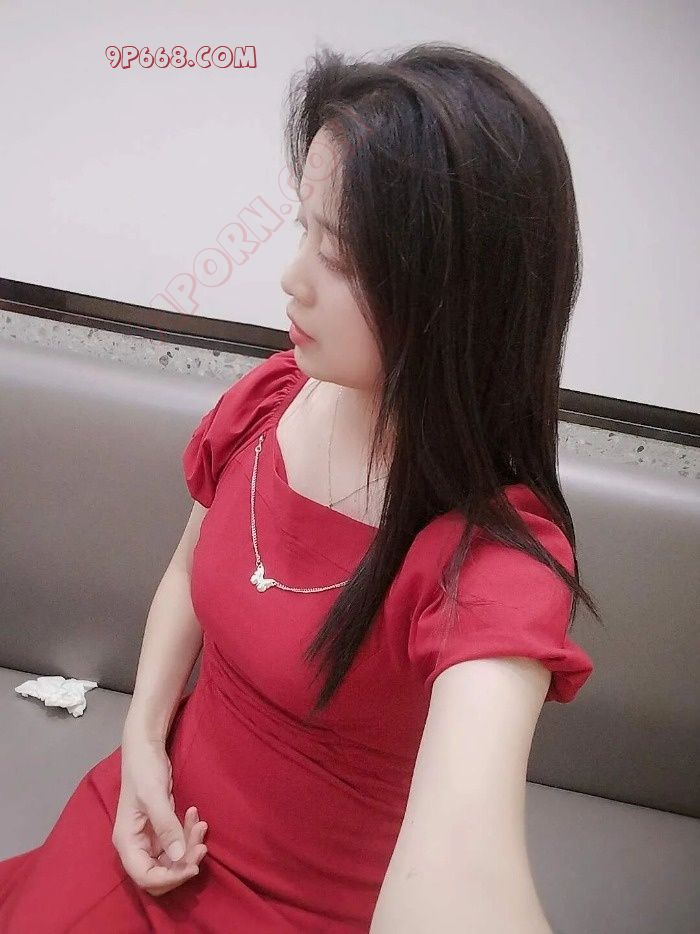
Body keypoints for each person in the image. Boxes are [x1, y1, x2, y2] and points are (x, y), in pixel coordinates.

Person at [0, 42, 599, 933]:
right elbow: (186, 578)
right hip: (142, 825)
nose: (292, 278)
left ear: (457, 293)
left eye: (343, 256)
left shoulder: (492, 560)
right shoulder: (270, 398)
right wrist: (143, 742)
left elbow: (462, 870)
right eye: (303, 230)